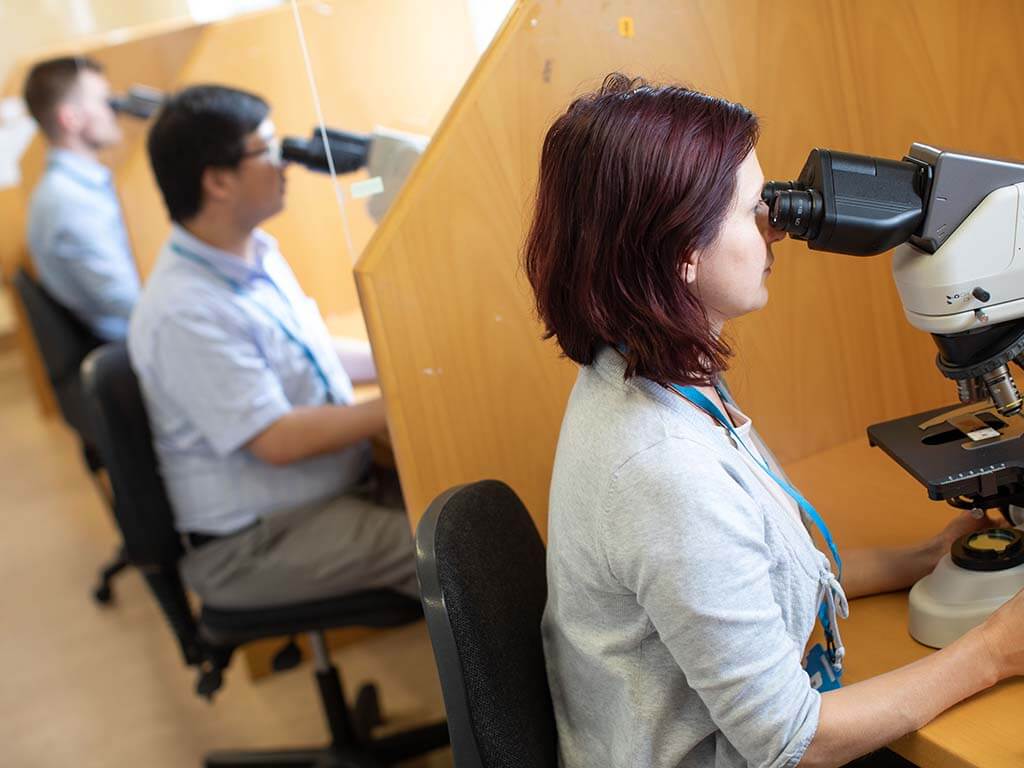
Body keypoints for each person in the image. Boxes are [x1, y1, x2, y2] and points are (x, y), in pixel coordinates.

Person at [524, 73, 1024, 768]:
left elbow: (750, 580)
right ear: (681, 253)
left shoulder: (651, 378)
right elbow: (797, 740)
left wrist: (917, 561)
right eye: (752, 209)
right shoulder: (664, 468)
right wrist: (997, 650)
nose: (777, 228)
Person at [128, 84, 416, 609]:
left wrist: (407, 362)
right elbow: (277, 439)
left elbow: (308, 350)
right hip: (256, 542)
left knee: (473, 498)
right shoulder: (182, 310)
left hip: (323, 497)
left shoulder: (248, 253)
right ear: (217, 180)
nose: (286, 164)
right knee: (458, 554)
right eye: (267, 150)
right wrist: (404, 401)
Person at [24, 56, 139, 341]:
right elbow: (128, 300)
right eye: (104, 102)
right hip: (130, 343)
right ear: (71, 118)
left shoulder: (74, 188)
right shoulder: (70, 202)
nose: (115, 111)